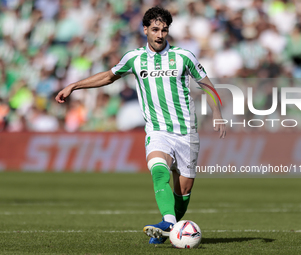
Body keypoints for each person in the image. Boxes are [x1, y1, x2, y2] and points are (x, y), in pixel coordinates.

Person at [55, 6, 226, 244]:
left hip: (186, 133)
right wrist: (74, 85)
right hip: (157, 130)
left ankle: (169, 228)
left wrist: (217, 112)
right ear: (145, 29)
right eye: (155, 29)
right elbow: (108, 76)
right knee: (159, 170)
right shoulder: (134, 58)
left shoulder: (184, 57)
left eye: (164, 30)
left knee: (183, 192)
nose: (159, 34)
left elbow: (207, 85)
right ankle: (168, 222)